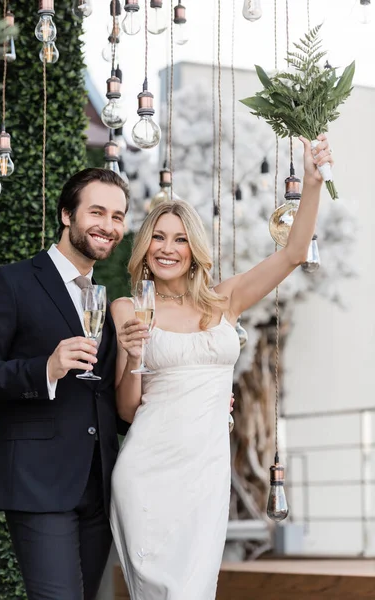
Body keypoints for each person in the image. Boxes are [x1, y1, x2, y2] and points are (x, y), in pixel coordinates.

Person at [109, 135, 333, 599]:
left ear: (194, 249)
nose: (168, 248)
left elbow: (293, 252)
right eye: (158, 237)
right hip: (147, 471)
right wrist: (131, 353)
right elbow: (128, 410)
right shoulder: (127, 308)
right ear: (144, 245)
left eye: (180, 239)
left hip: (205, 472)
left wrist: (311, 182)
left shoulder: (224, 299)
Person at [0, 168, 129, 600]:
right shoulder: (10, 282)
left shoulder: (105, 297)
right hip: (37, 482)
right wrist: (46, 368)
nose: (108, 226)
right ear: (66, 214)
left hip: (99, 486)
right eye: (96, 211)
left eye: (118, 216)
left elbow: (109, 396)